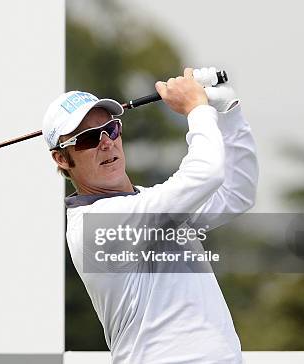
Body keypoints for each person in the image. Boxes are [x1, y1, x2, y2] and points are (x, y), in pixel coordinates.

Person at [42, 67, 258, 363]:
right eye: (88, 139)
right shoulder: (96, 224)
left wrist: (229, 113)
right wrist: (197, 110)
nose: (106, 142)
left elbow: (237, 194)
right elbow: (205, 174)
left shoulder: (147, 203)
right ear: (61, 158)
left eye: (111, 129)